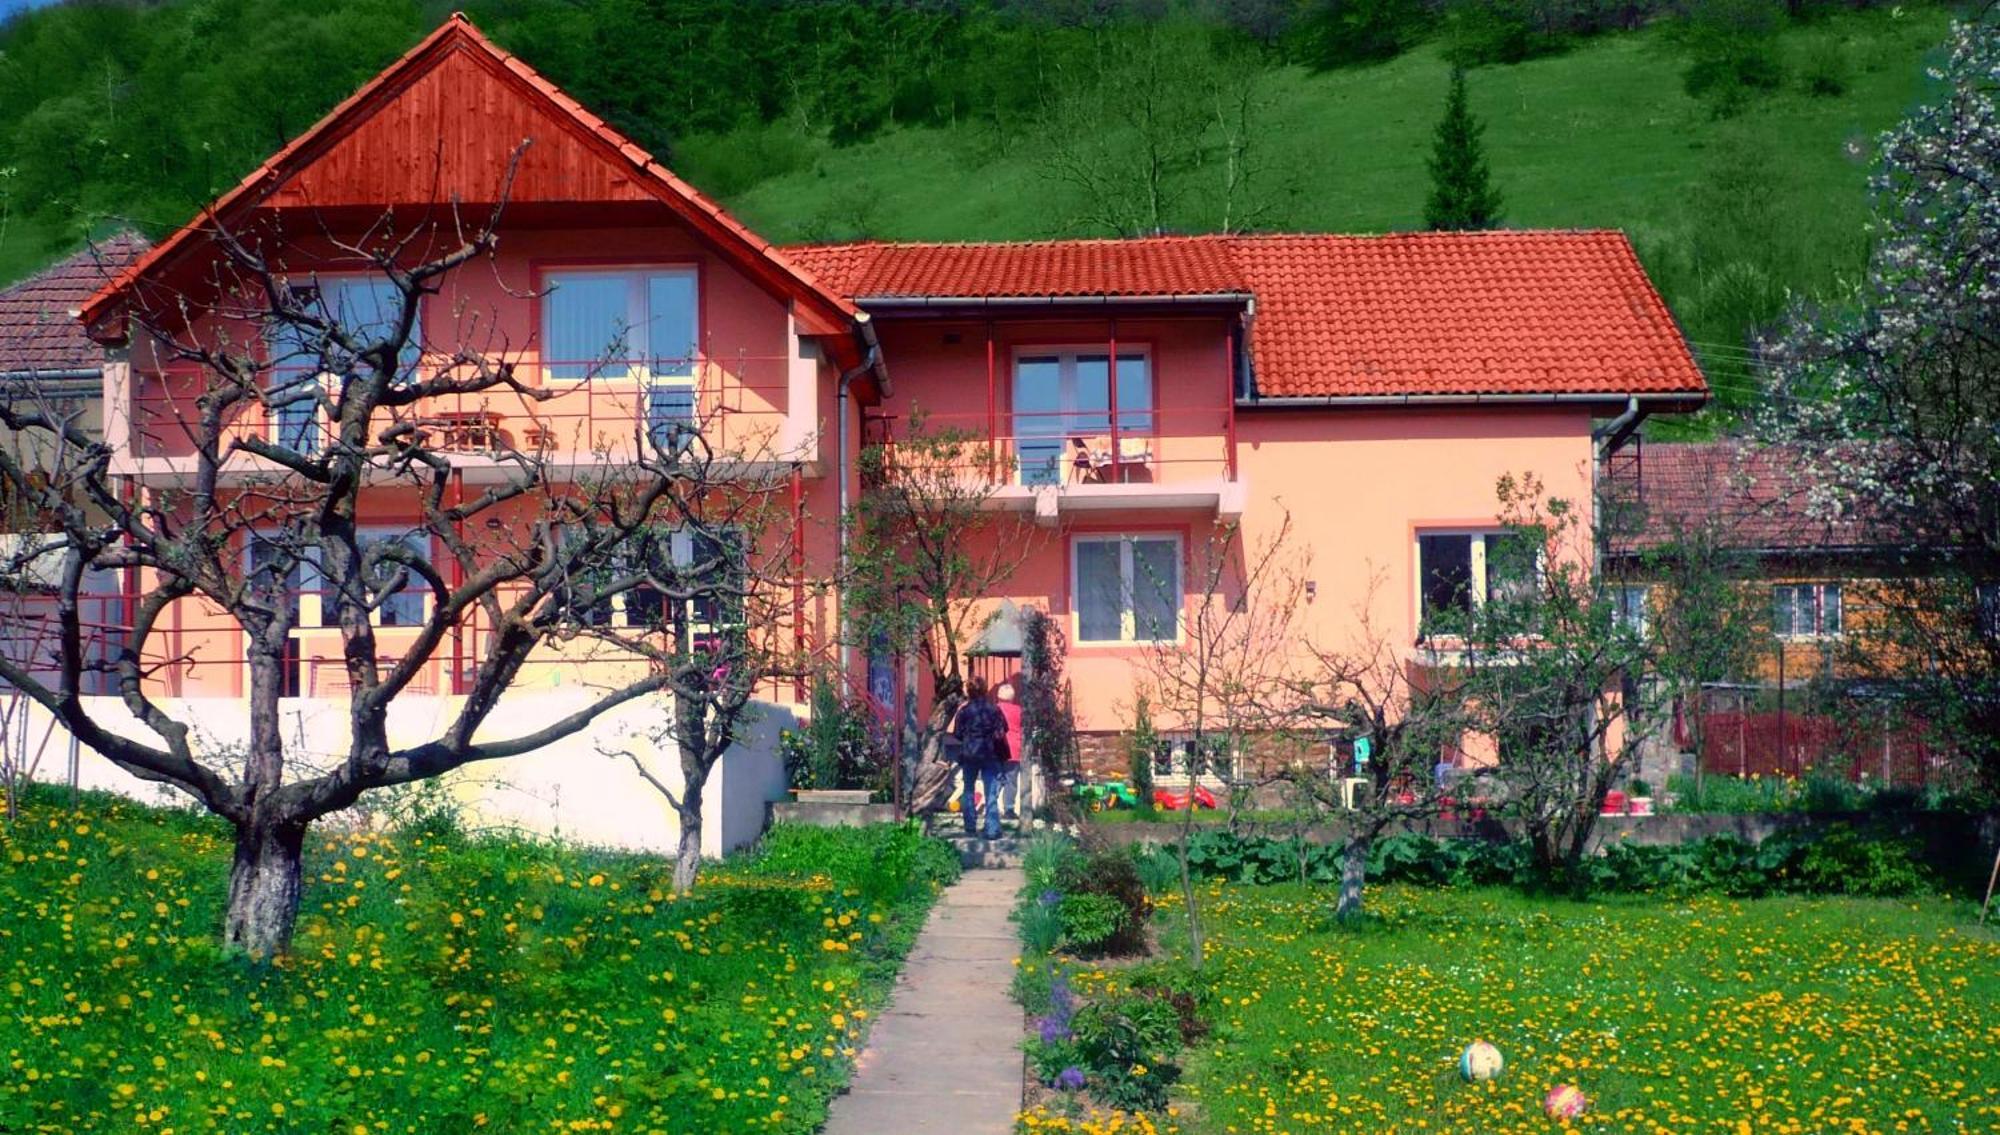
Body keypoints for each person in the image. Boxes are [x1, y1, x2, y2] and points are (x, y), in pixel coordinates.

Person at [951, 676, 1009, 840]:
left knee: (968, 789)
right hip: (989, 753)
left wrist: (970, 737)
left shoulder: (964, 710)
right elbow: (1003, 729)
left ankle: (970, 825)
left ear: (968, 691)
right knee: (990, 791)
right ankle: (991, 829)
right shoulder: (994, 709)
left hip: (969, 753)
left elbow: (957, 733)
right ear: (984, 689)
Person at [994, 680, 1025, 820]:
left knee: (996, 779)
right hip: (1014, 749)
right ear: (1012, 696)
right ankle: (1009, 809)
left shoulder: (993, 709)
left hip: (996, 748)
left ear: (998, 695)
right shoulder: (1019, 711)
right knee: (1011, 781)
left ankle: (991, 806)